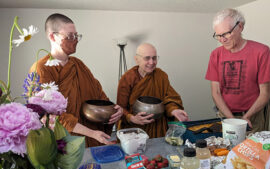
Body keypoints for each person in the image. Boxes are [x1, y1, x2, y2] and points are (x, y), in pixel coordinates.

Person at [30, 13, 123, 147]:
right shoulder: (41, 69)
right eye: (70, 36)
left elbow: (98, 95)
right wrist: (91, 133)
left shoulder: (78, 65)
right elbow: (48, 115)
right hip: (64, 141)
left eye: (76, 36)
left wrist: (114, 109)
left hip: (92, 138)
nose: (75, 40)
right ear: (53, 36)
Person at [205, 8, 270, 132]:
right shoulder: (215, 54)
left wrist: (246, 117)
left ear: (240, 27)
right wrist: (231, 119)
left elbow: (265, 94)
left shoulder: (261, 52)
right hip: (224, 117)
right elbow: (215, 92)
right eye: (218, 35)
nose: (222, 40)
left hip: (253, 118)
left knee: (252, 150)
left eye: (226, 33)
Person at [117, 43, 189, 138]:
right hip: (135, 131)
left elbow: (169, 98)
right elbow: (120, 109)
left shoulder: (161, 76)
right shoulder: (127, 78)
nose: (151, 62)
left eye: (154, 58)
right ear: (137, 59)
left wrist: (174, 110)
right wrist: (132, 118)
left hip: (158, 128)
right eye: (147, 58)